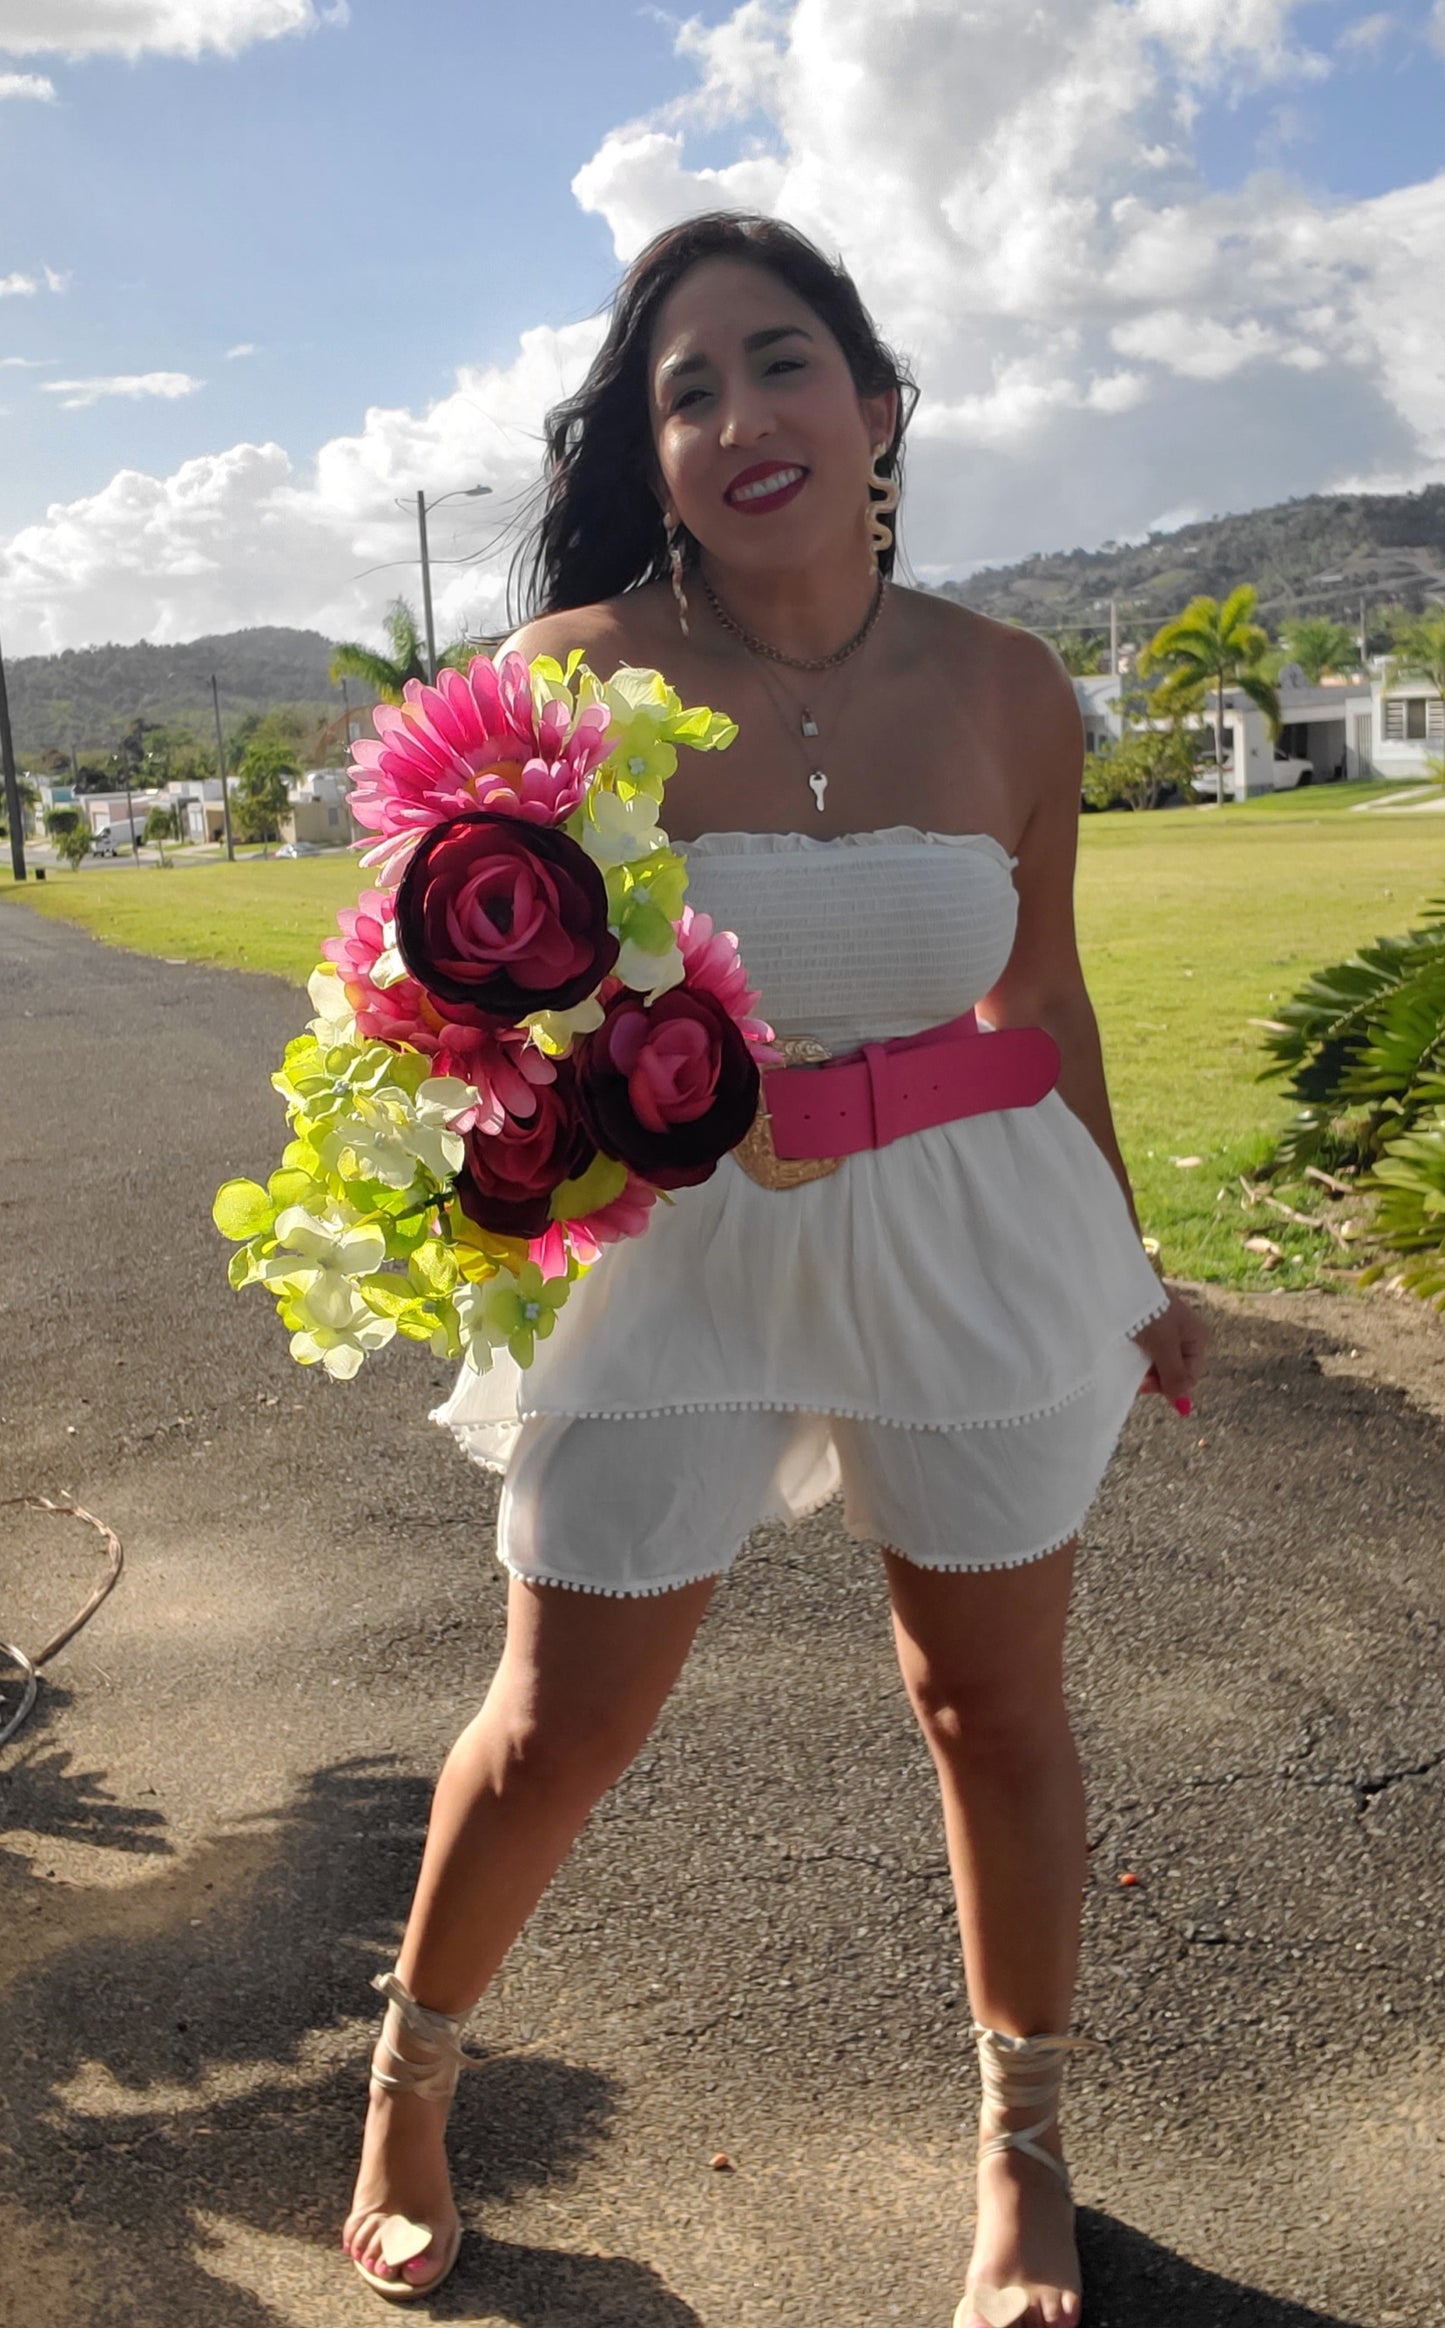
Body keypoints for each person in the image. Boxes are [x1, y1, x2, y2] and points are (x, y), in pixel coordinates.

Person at [342, 212, 1208, 2326]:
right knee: (557, 1725)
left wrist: (1134, 1253)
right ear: (652, 454)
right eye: (687, 387)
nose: (741, 414)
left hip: (974, 1243)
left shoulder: (1011, 687)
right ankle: (406, 2085)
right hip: (680, 1258)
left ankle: (1024, 2151)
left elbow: (1051, 998)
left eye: (782, 359)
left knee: (988, 1708)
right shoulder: (567, 681)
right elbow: (430, 1000)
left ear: (879, 406)